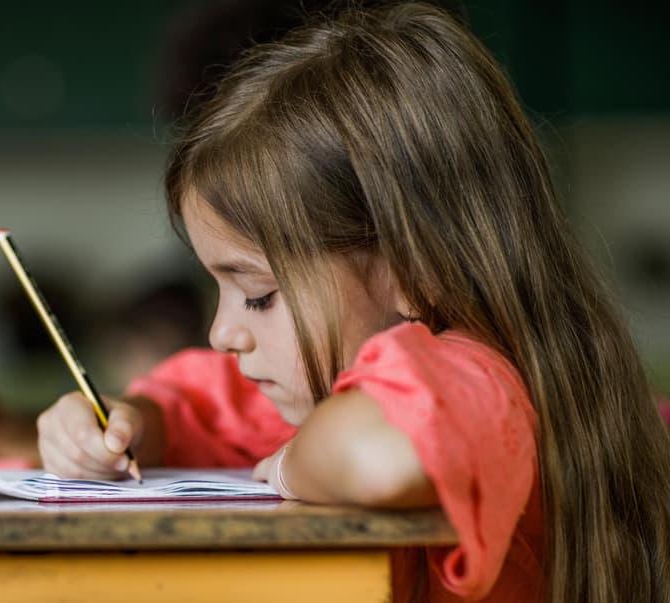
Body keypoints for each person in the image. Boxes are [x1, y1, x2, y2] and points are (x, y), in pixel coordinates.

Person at [35, 3, 670, 602]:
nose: (223, 332)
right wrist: (125, 422)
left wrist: (289, 466)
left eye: (258, 296)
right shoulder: (329, 381)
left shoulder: (481, 373)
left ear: (416, 271)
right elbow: (203, 403)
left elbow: (383, 457)